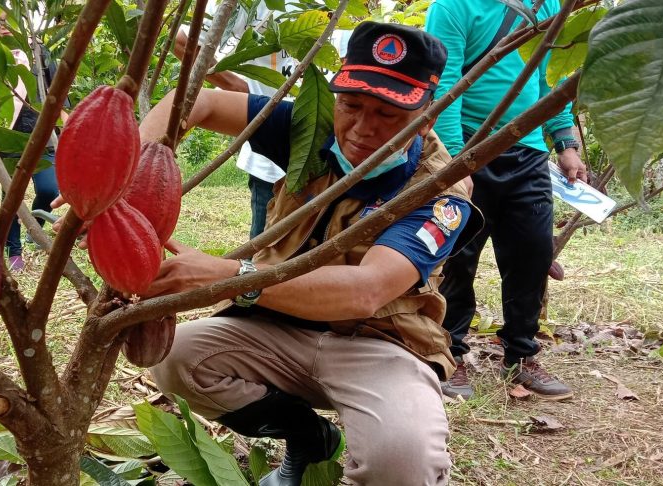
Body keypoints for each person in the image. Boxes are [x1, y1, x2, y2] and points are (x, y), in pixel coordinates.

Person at [138, 22, 477, 485]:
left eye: (388, 114)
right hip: (277, 331)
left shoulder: (440, 189)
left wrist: (228, 275)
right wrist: (132, 167)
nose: (362, 127)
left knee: (402, 459)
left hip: (377, 343)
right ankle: (308, 438)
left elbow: (365, 292)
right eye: (351, 105)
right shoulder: (309, 129)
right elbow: (204, 101)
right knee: (176, 357)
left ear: (427, 114)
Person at [425, 0, 586, 401]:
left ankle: (521, 353)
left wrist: (564, 140)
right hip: (467, 146)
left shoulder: (548, 5)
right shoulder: (452, 6)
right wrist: (457, 165)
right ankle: (450, 354)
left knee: (531, 254)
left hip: (527, 150)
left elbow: (549, 80)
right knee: (457, 258)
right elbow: (445, 84)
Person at [171, 2, 295, 238]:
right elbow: (183, 41)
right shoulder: (256, 5)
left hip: (325, 149)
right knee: (263, 248)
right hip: (271, 153)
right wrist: (235, 85)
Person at [0, 14, 65, 271]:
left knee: (49, 189)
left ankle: (35, 230)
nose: (2, 27)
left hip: (43, 139)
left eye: (6, 21)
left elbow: (60, 93)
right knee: (11, 198)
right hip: (6, 142)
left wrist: (70, 131)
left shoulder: (40, 55)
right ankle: (14, 251)